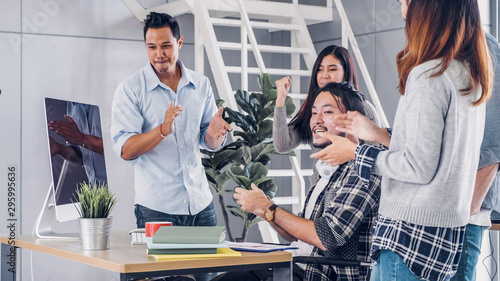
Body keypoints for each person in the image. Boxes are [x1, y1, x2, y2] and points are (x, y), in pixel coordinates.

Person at [312, 0, 492, 280]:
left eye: (405, 2)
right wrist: (376, 134)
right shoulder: (468, 74)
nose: (402, 9)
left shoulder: (428, 75)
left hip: (407, 237)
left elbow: (417, 167)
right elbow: (434, 151)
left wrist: (356, 154)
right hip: (442, 236)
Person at [212, 82, 383, 281]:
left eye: (327, 112)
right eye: (313, 113)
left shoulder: (362, 171)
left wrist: (269, 207)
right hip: (295, 266)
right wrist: (266, 213)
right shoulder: (326, 172)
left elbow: (326, 236)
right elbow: (299, 234)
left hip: (319, 274)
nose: (316, 121)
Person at [111, 12, 231, 231]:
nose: (159, 54)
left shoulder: (201, 85)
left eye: (166, 46)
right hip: (157, 209)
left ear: (180, 43)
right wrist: (162, 131)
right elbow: (126, 150)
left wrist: (214, 137)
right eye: (152, 47)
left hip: (201, 205)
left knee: (208, 267)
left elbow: (208, 142)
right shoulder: (131, 90)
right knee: (164, 268)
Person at [273, 45, 381, 184]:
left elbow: (374, 159)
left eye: (332, 69)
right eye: (320, 69)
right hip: (319, 189)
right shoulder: (313, 108)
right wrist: (280, 100)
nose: (324, 75)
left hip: (352, 190)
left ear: (346, 72)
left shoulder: (364, 109)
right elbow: (282, 145)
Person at [450, 32, 500, 281]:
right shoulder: (442, 43)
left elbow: (495, 137)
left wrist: (471, 206)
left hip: (466, 204)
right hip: (445, 201)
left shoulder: (482, 45)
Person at [48, 101, 107, 186]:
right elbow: (82, 157)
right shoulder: (72, 105)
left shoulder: (111, 97)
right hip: (97, 189)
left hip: (121, 184)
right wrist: (58, 149)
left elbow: (121, 148)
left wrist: (82, 138)